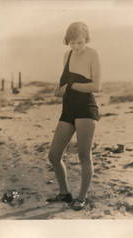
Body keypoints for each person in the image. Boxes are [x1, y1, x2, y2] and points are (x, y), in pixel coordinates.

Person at [47, 21, 101, 210]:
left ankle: (82, 197)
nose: (76, 46)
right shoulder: (67, 55)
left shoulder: (93, 54)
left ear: (86, 39)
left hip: (86, 109)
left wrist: (72, 87)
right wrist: (58, 90)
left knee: (84, 156)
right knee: (53, 155)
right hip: (68, 108)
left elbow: (97, 87)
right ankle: (64, 193)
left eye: (79, 42)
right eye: (72, 43)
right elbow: (62, 85)